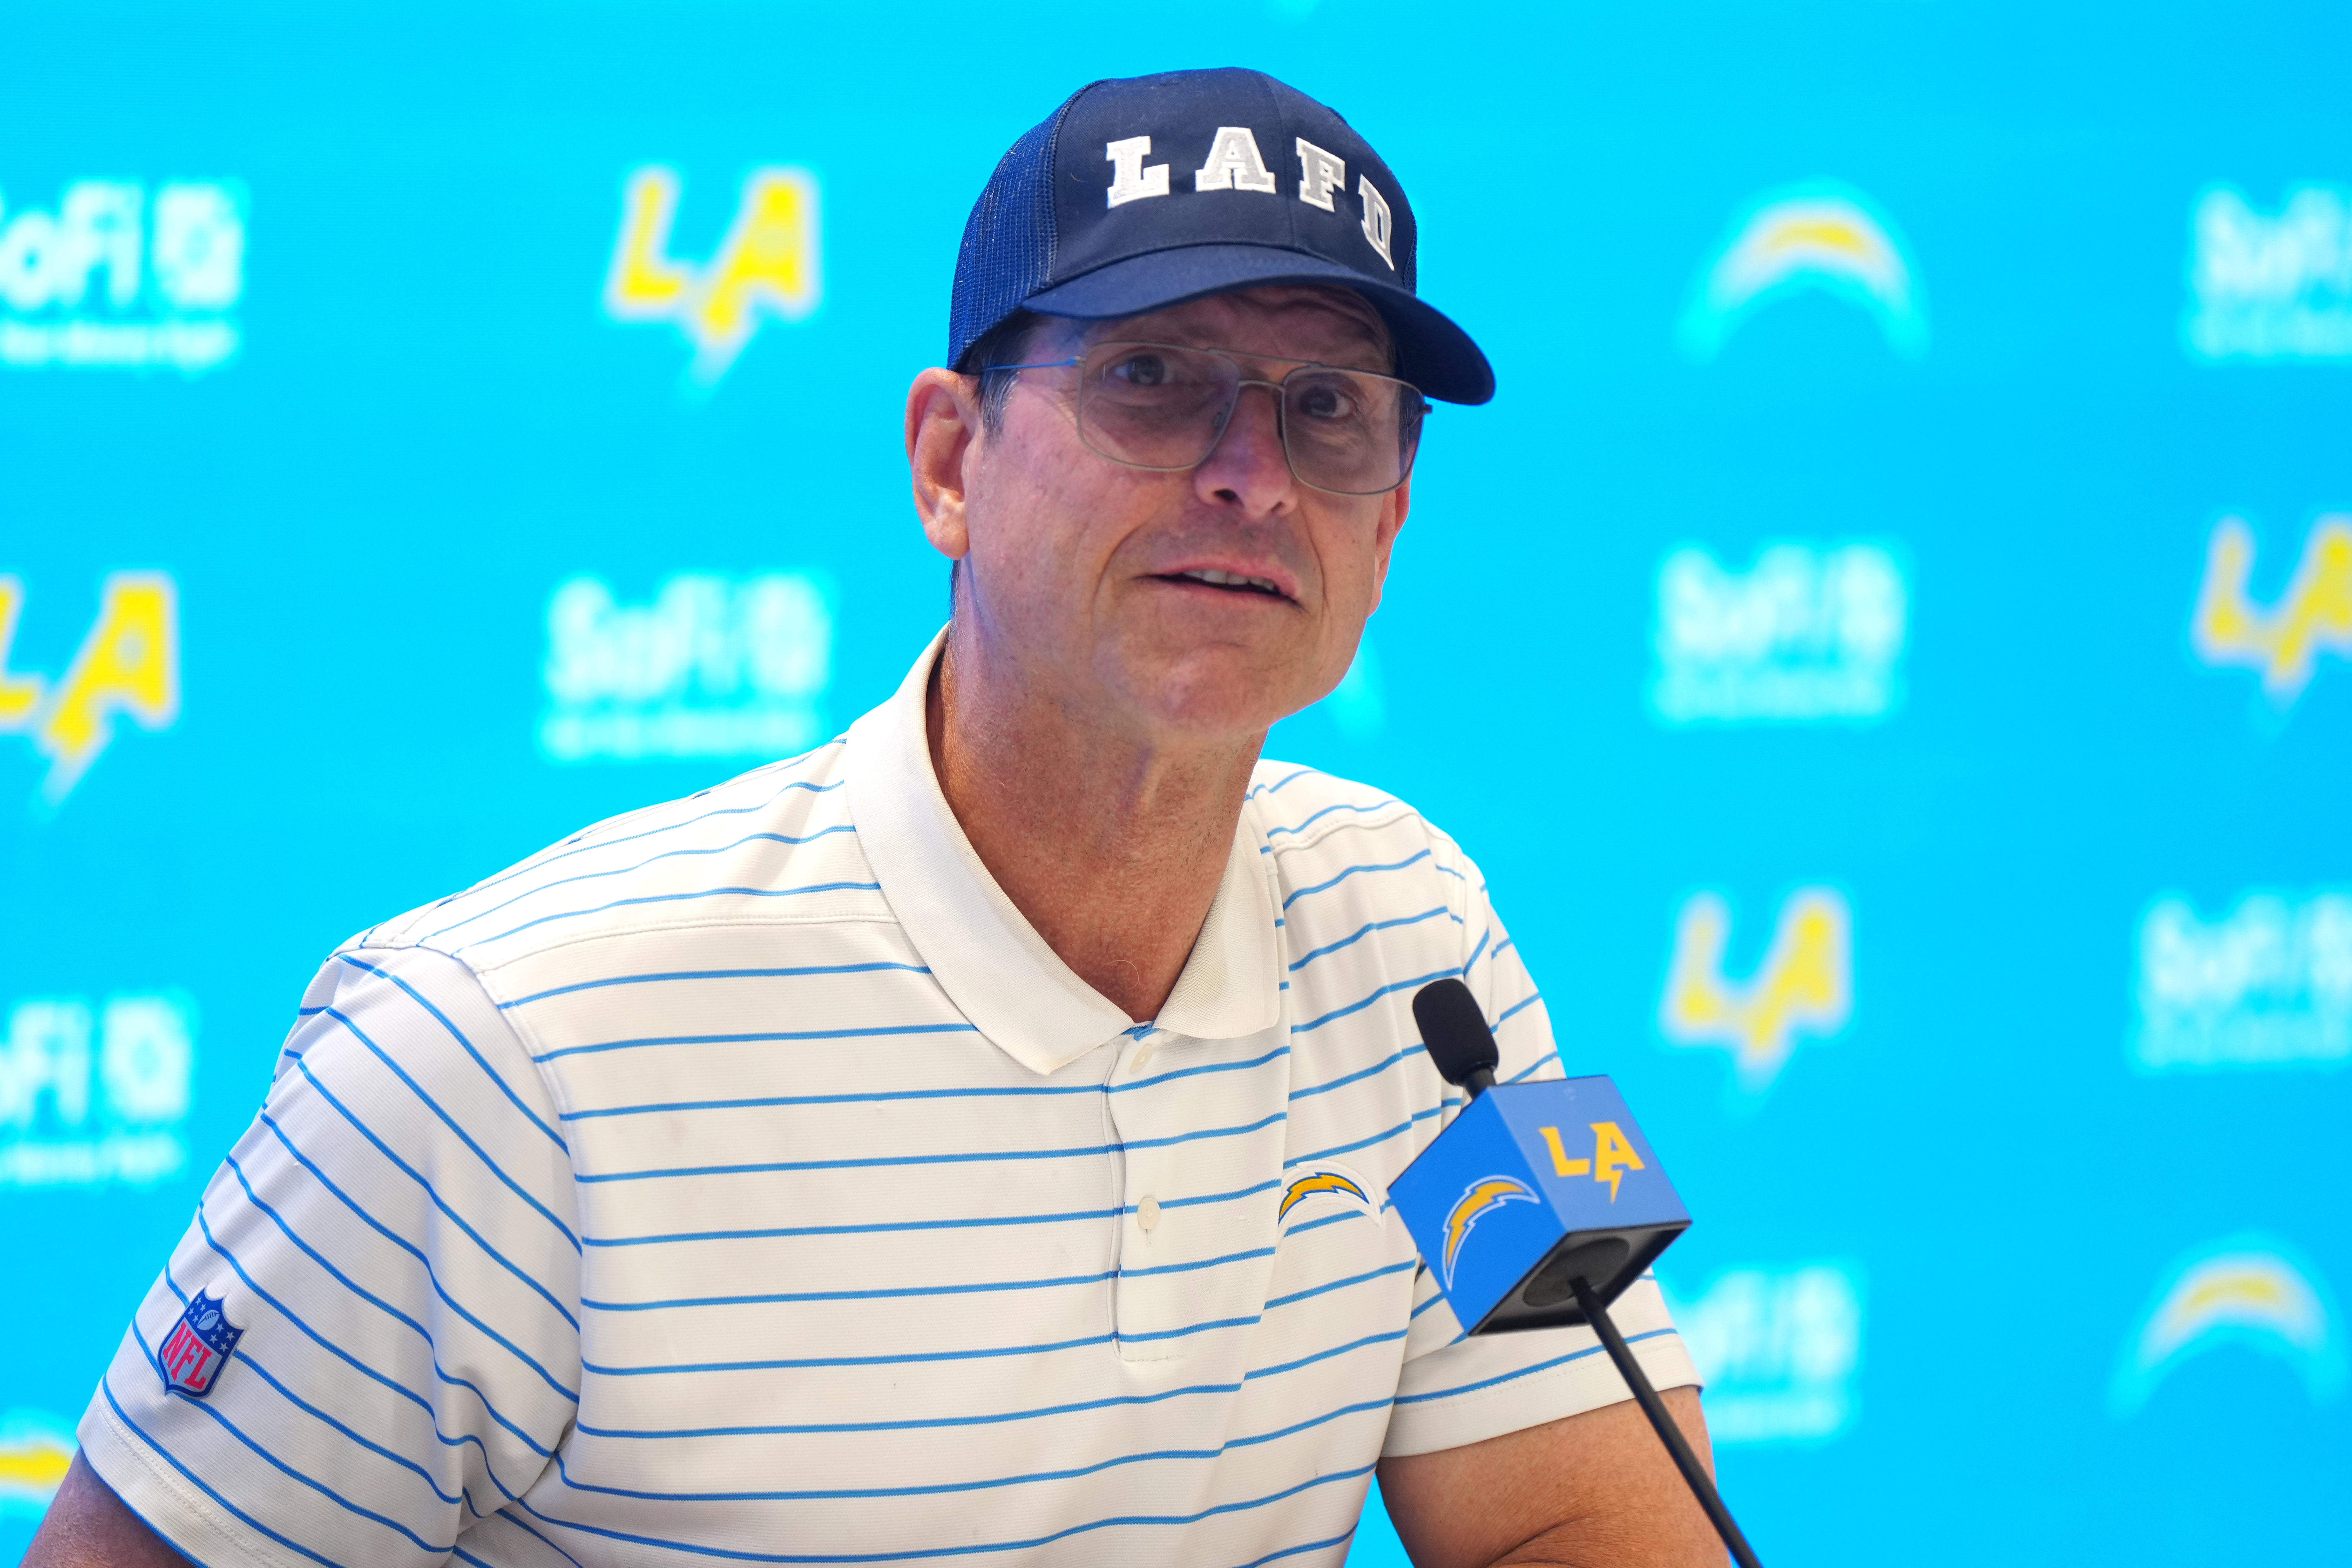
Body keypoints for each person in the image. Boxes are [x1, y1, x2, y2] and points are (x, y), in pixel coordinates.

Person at [28, 67, 1720, 1568]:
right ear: (949, 463)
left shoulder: (1426, 941)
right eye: (1152, 378)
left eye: (1328, 408)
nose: (1251, 474)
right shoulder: (492, 1051)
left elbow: (1589, 1518)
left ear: (1394, 515)